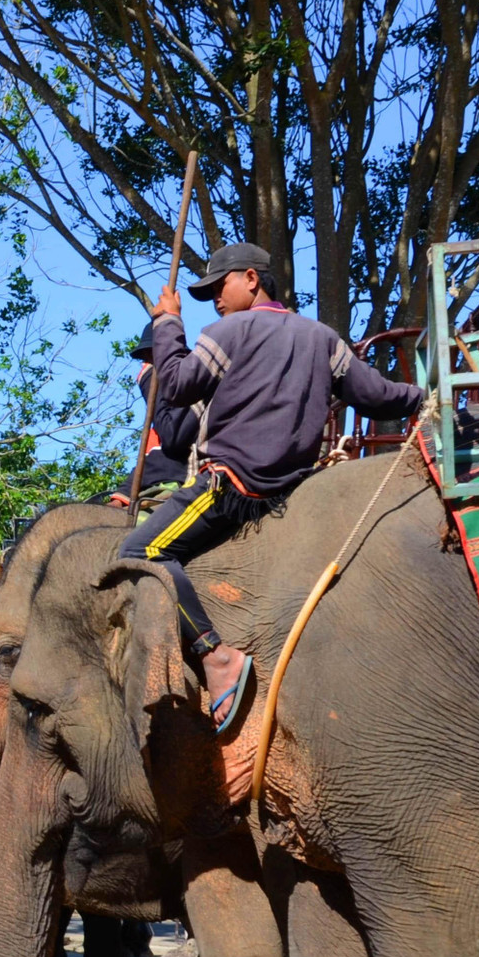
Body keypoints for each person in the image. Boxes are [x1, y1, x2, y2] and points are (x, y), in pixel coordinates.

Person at [125, 241, 426, 729]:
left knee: (137, 554)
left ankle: (215, 657)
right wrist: (427, 397)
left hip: (231, 490)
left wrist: (167, 322)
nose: (215, 300)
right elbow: (377, 396)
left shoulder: (228, 331)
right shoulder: (324, 338)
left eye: (218, 287)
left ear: (250, 278)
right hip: (294, 488)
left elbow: (176, 387)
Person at [110, 321, 199, 512]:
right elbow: (147, 466)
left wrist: (152, 379)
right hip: (148, 493)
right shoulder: (155, 431)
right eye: (145, 358)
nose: (146, 365)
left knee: (136, 542)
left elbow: (172, 435)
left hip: (181, 487)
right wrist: (120, 497)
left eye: (151, 357)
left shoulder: (192, 398)